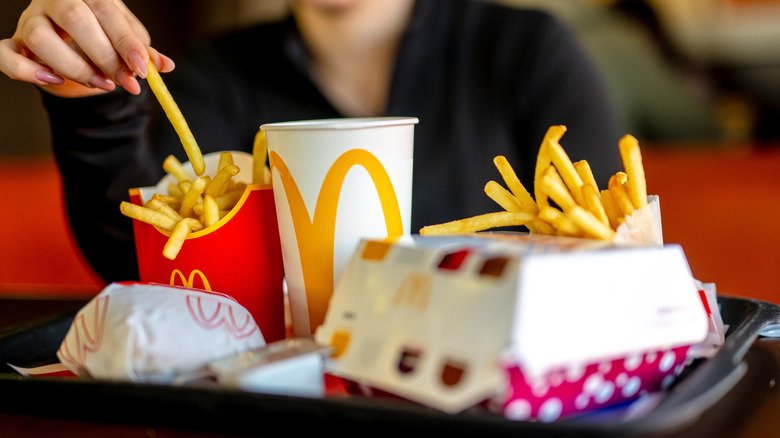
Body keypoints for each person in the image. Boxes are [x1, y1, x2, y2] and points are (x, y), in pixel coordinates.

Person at [0, 0, 621, 282]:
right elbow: (147, 263)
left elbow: (609, 250)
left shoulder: (528, 52)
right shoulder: (216, 74)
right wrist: (85, 95)